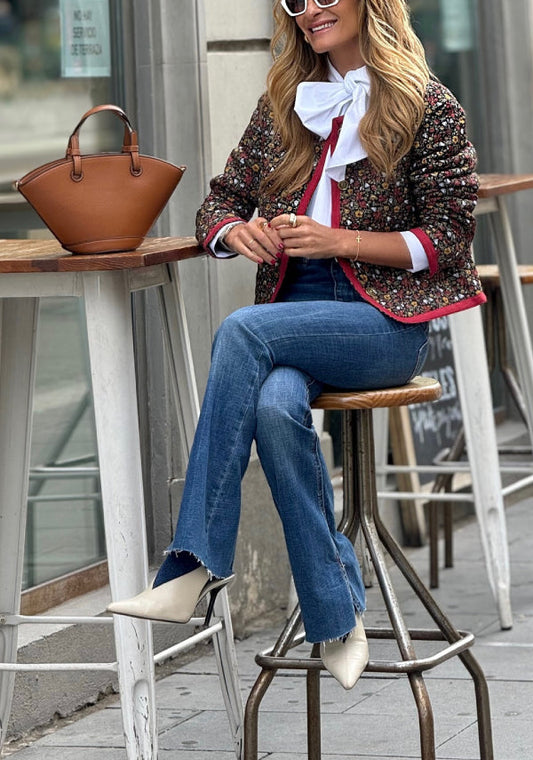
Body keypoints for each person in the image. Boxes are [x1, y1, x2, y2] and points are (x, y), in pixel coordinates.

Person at [107, 0, 485, 690]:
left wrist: (342, 241)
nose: (309, 10)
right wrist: (235, 233)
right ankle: (338, 613)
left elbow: (449, 237)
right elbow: (218, 202)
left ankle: (192, 563)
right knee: (276, 408)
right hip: (294, 315)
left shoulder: (428, 105)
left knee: (241, 328)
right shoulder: (286, 102)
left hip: (381, 321)